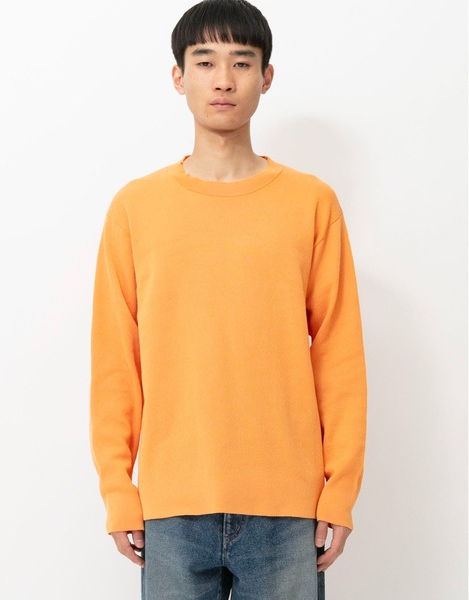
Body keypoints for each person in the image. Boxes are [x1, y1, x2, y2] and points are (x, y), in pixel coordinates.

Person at [89, 0, 367, 598]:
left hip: (288, 508)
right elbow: (116, 362)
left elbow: (339, 356)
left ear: (267, 77)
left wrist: (340, 489)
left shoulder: (311, 203)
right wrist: (118, 489)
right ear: (178, 77)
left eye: (242, 62)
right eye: (205, 61)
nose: (223, 79)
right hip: (170, 505)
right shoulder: (136, 208)